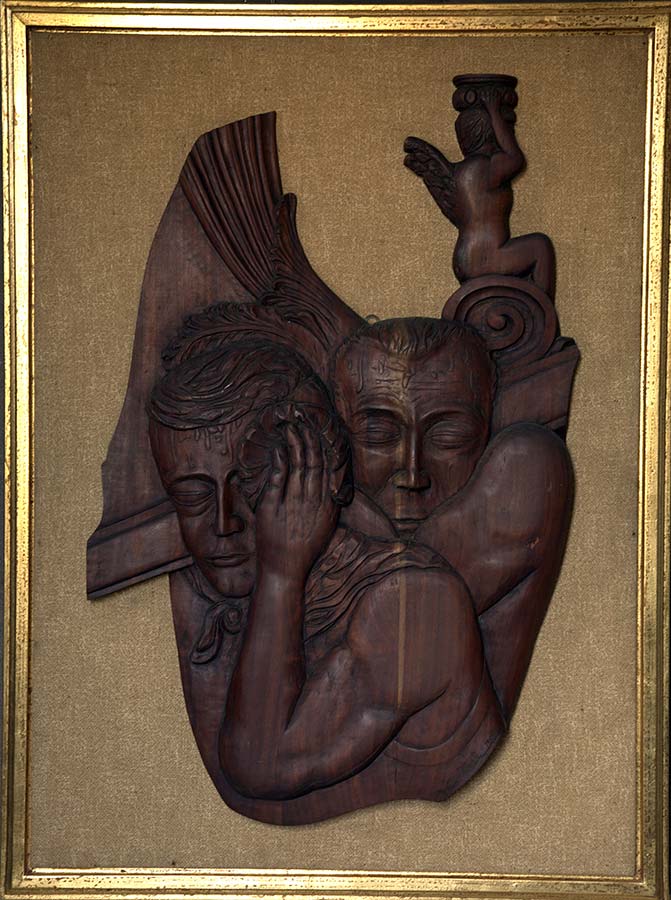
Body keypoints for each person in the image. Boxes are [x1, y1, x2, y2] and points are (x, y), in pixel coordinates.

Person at [148, 335, 504, 817]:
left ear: (318, 472)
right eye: (193, 497)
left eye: (252, 487)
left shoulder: (414, 603)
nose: (224, 523)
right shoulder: (244, 606)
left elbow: (261, 767)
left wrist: (281, 570)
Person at [404, 89, 555, 296]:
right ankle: (539, 308)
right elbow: (515, 158)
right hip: (488, 257)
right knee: (540, 246)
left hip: (465, 259)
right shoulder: (487, 167)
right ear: (492, 133)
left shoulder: (459, 171)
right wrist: (494, 110)